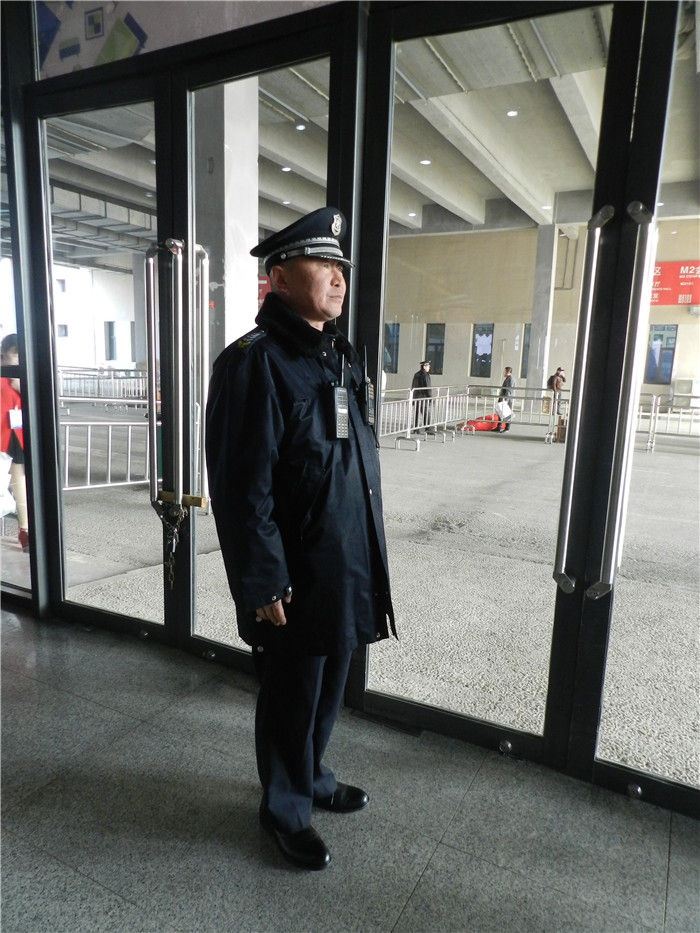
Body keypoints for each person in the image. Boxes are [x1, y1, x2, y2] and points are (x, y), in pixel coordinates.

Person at [205, 207, 396, 872]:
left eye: (342, 265)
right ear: (280, 278)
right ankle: (284, 809)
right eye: (323, 263)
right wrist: (261, 580)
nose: (339, 277)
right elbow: (242, 488)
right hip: (290, 575)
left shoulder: (336, 356)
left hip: (340, 563)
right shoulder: (254, 364)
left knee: (327, 684)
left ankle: (312, 775)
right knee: (291, 693)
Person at [1, 334, 29, 551]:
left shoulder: (24, 377)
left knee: (21, 485)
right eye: (15, 354)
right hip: (3, 435)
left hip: (17, 436)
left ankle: (25, 530)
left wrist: (22, 388)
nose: (19, 359)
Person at [411, 359, 432, 429]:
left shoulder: (416, 374)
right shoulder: (425, 375)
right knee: (426, 414)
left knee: (416, 414)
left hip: (416, 397)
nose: (429, 367)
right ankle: (428, 428)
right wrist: (430, 397)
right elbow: (427, 387)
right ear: (424, 367)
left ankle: (415, 429)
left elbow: (413, 386)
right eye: (428, 366)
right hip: (423, 398)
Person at [497, 365, 516, 432]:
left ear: (508, 372)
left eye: (504, 372)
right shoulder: (508, 378)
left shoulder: (510, 379)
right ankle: (498, 427)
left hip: (506, 399)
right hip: (504, 398)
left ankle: (507, 428)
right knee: (501, 413)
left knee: (507, 414)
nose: (503, 373)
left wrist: (506, 399)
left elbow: (508, 390)